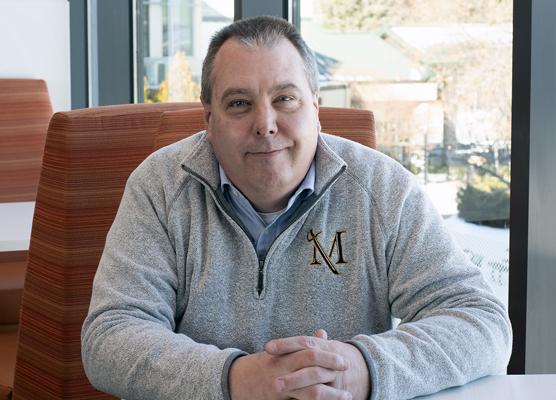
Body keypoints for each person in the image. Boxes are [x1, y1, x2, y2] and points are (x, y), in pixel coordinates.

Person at [81, 15, 512, 400]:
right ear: (209, 120)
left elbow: (482, 321)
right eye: (239, 104)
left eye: (285, 99)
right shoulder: (159, 187)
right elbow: (110, 337)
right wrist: (235, 380)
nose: (265, 125)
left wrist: (362, 369)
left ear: (316, 109)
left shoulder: (383, 190)